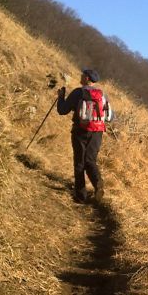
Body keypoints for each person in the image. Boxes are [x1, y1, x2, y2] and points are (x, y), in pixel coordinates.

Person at [56, 69, 111, 203]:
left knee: (79, 162)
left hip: (80, 130)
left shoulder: (78, 92)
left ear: (86, 78)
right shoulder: (102, 95)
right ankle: (98, 183)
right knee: (90, 160)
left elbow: (62, 110)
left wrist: (61, 97)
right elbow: (110, 117)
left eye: (82, 75)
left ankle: (81, 196)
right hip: (97, 132)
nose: (80, 76)